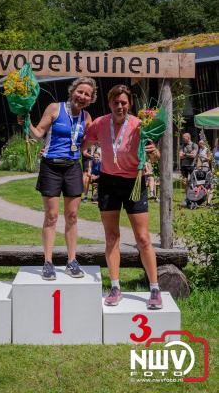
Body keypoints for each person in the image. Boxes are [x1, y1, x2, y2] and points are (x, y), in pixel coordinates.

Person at [83, 84, 162, 309]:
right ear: (109, 104)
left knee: (143, 238)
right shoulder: (99, 123)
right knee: (112, 237)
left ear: (130, 104)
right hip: (108, 182)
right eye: (116, 103)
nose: (120, 106)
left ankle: (155, 289)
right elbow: (83, 143)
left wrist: (154, 153)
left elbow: (155, 156)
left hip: (134, 183)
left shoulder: (140, 125)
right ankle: (115, 287)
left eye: (124, 103)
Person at [18, 77, 97, 280]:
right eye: (80, 92)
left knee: (72, 216)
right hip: (51, 167)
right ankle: (48, 262)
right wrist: (27, 123)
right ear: (72, 91)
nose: (82, 96)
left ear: (91, 99)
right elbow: (38, 133)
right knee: (51, 216)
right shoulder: (55, 108)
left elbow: (88, 142)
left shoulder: (87, 117)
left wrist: (86, 153)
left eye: (87, 94)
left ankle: (72, 261)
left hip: (72, 167)